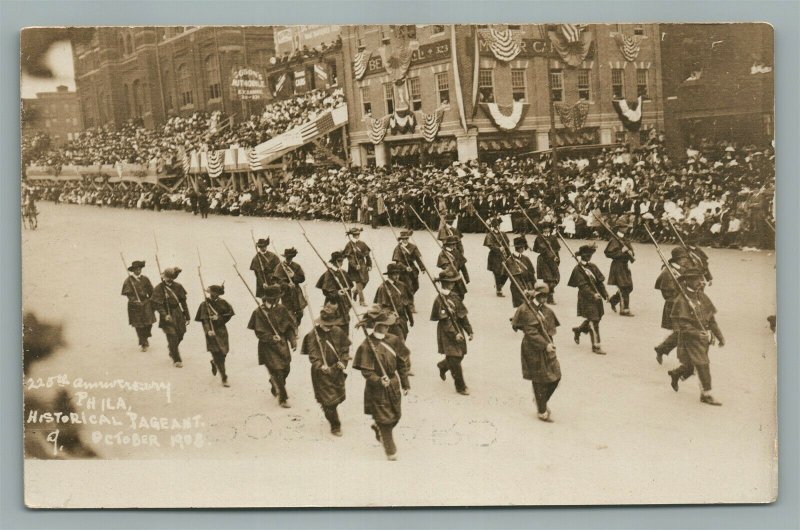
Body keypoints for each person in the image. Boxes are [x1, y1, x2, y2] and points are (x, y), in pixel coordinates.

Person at [352, 308, 411, 461]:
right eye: (384, 325)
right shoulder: (367, 345)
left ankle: (378, 428)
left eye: (387, 325)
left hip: (393, 383)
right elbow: (366, 372)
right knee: (385, 419)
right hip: (377, 388)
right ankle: (390, 450)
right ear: (376, 325)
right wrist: (378, 380)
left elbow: (402, 363)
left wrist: (405, 383)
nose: (387, 327)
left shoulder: (393, 340)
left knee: (396, 415)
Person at [667, 267, 726, 406]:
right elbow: (682, 325)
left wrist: (719, 336)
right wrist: (697, 333)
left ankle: (676, 374)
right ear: (687, 281)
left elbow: (711, 320)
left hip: (703, 338)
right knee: (702, 364)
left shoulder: (702, 296)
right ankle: (706, 394)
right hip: (690, 339)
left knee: (690, 366)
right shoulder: (681, 300)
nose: (700, 282)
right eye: (696, 279)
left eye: (700, 278)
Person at [511, 282, 561, 422]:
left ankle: (540, 401)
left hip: (548, 347)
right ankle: (542, 410)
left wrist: (549, 345)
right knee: (539, 379)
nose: (544, 299)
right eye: (541, 296)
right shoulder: (526, 309)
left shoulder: (547, 311)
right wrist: (545, 345)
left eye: (546, 296)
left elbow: (551, 330)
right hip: (532, 349)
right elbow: (530, 333)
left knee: (556, 376)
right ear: (536, 295)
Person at [301, 304, 351, 436]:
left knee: (338, 396)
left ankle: (328, 408)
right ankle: (335, 425)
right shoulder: (313, 335)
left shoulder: (338, 331)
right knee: (329, 401)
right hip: (321, 373)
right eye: (326, 324)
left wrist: (343, 362)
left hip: (336, 370)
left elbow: (345, 349)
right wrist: (319, 365)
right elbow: (313, 354)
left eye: (330, 324)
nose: (328, 327)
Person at [247, 285, 298, 408]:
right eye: (274, 298)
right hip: (268, 347)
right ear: (267, 299)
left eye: (278, 297)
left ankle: (274, 382)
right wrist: (270, 337)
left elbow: (289, 327)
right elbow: (259, 332)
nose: (277, 300)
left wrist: (292, 341)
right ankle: (283, 398)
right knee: (277, 370)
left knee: (286, 369)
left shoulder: (282, 309)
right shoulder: (259, 312)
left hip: (282, 344)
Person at [431, 268, 474, 395]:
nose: (453, 284)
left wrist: (469, 330)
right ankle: (460, 387)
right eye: (450, 282)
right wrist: (455, 334)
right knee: (454, 358)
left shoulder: (454, 297)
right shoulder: (439, 300)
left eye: (453, 282)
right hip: (447, 332)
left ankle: (443, 365)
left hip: (458, 328)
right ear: (444, 283)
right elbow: (445, 321)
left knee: (460, 355)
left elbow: (462, 315)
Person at [654, 247, 693, 364]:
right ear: (678, 259)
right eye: (684, 258)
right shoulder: (668, 272)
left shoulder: (683, 269)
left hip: (685, 305)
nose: (686, 260)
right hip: (674, 307)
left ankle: (661, 349)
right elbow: (666, 292)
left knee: (683, 332)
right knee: (681, 333)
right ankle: (686, 361)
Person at [568, 245, 609, 355]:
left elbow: (600, 282)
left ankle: (579, 330)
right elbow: (583, 286)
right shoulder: (578, 270)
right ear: (582, 256)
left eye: (590, 255)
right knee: (594, 321)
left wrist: (605, 294)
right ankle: (596, 346)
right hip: (586, 298)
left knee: (596, 318)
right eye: (587, 256)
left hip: (597, 297)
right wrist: (593, 295)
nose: (589, 257)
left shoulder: (593, 267)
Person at [194, 284, 235, 387]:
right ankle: (224, 377)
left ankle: (214, 362)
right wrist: (208, 331)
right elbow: (204, 320)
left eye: (215, 294)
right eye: (212, 294)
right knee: (218, 354)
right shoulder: (204, 304)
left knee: (224, 352)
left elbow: (229, 315)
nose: (213, 296)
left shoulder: (223, 303)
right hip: (211, 332)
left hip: (221, 330)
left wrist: (219, 318)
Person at [151, 267, 190, 367]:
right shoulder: (159, 288)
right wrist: (164, 315)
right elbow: (157, 305)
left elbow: (183, 302)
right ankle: (177, 360)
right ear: (164, 277)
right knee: (172, 336)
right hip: (167, 315)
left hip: (178, 313)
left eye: (171, 277)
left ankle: (172, 349)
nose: (169, 279)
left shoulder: (178, 286)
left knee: (180, 334)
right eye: (167, 277)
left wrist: (187, 315)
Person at [120, 260, 156, 352]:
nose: (138, 271)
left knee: (149, 322)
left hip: (146, 303)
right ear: (133, 270)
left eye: (139, 269)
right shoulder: (129, 280)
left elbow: (151, 291)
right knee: (138, 325)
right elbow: (128, 294)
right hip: (135, 305)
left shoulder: (145, 279)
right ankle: (143, 343)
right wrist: (134, 300)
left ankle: (146, 335)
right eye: (136, 269)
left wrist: (152, 300)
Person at [315, 251, 354, 333]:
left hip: (344, 302)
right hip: (333, 303)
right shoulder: (329, 273)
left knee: (344, 323)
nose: (341, 263)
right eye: (339, 261)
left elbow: (349, 286)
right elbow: (326, 290)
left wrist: (347, 290)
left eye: (342, 261)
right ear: (334, 262)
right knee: (332, 324)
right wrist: (337, 293)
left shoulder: (343, 272)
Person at [605, 219, 636, 316]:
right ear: (619, 228)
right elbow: (608, 253)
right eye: (624, 227)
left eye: (626, 227)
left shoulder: (625, 238)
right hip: (617, 266)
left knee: (629, 287)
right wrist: (621, 251)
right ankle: (624, 309)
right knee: (624, 287)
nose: (626, 228)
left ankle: (613, 300)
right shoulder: (614, 239)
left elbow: (631, 251)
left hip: (624, 265)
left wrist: (631, 253)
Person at [391, 229, 425, 311]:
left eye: (407, 238)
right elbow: (398, 261)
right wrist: (405, 268)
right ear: (401, 239)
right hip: (402, 270)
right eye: (404, 239)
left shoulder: (413, 247)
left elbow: (418, 259)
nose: (405, 240)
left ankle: (405, 298)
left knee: (416, 286)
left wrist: (422, 268)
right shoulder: (398, 248)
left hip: (413, 269)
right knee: (409, 287)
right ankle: (410, 305)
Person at [272, 247, 307, 325]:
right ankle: (293, 329)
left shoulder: (297, 266)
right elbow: (276, 280)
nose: (289, 259)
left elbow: (302, 279)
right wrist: (287, 285)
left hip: (297, 292)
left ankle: (296, 325)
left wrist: (294, 276)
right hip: (286, 293)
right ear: (285, 257)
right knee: (289, 312)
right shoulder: (280, 267)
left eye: (290, 257)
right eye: (287, 257)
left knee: (300, 312)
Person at [342, 227, 372, 307]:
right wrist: (355, 266)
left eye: (358, 234)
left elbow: (367, 255)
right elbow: (349, 258)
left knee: (365, 281)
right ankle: (362, 301)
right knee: (359, 282)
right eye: (355, 235)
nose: (357, 236)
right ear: (352, 235)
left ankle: (355, 292)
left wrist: (369, 265)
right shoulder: (349, 245)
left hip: (363, 265)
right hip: (354, 267)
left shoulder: (362, 243)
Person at [533, 222, 561, 304]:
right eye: (544, 228)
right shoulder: (539, 238)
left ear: (550, 229)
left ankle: (545, 293)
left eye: (547, 228)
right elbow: (535, 249)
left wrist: (557, 258)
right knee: (548, 279)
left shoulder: (553, 238)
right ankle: (550, 297)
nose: (546, 229)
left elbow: (557, 249)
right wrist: (542, 248)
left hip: (552, 260)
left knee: (556, 278)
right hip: (543, 260)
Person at [507, 236, 537, 308]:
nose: (524, 248)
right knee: (522, 306)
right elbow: (515, 278)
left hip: (528, 285)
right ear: (520, 248)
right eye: (523, 247)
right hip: (518, 287)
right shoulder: (510, 260)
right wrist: (523, 289)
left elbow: (531, 273)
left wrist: (534, 285)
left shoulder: (525, 258)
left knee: (529, 306)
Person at [483, 216, 510, 297]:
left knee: (507, 272)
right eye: (496, 226)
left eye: (498, 225)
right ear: (493, 226)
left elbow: (507, 244)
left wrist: (507, 251)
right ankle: (499, 290)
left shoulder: (503, 234)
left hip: (504, 255)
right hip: (494, 256)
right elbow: (490, 245)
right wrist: (498, 248)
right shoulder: (490, 235)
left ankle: (499, 285)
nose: (497, 227)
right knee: (497, 272)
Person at [437, 235, 469, 300]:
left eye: (455, 244)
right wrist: (449, 267)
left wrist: (466, 277)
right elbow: (445, 267)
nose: (454, 245)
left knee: (461, 295)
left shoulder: (456, 252)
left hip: (457, 276)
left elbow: (463, 266)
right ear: (447, 245)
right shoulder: (443, 254)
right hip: (448, 279)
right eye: (452, 244)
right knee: (451, 296)